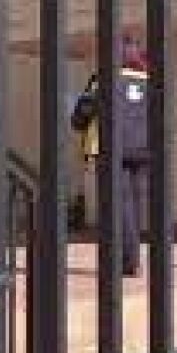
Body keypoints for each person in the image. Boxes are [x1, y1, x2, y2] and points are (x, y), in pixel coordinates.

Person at [71, 36, 149, 276]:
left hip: (112, 149)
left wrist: (80, 119)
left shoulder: (104, 79)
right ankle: (134, 256)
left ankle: (128, 261)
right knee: (135, 205)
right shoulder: (149, 80)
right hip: (143, 149)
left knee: (120, 205)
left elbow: (81, 115)